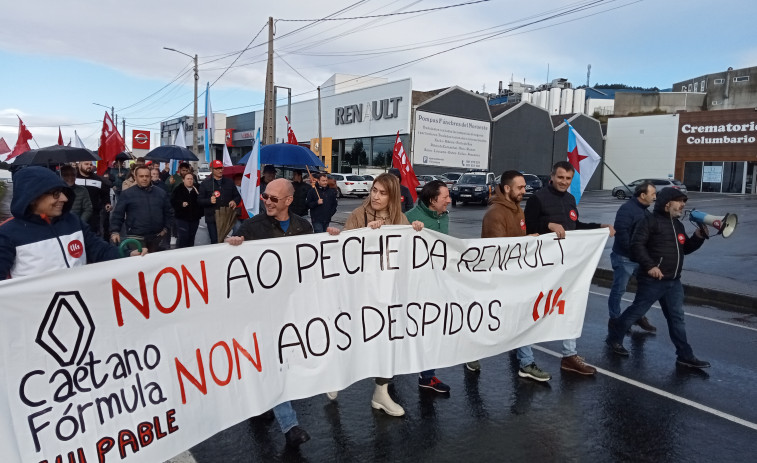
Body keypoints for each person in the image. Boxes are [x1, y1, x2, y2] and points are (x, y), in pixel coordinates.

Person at [325, 173, 424, 417]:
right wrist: (367, 235)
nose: (376, 196)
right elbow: (346, 251)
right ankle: (337, 375)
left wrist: (416, 231)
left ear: (392, 196)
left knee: (386, 341)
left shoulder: (399, 218)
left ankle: (381, 391)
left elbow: (406, 253)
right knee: (354, 335)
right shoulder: (360, 214)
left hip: (388, 292)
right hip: (360, 291)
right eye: (374, 191)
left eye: (382, 193)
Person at [225, 178, 312, 448]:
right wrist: (233, 244)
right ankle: (290, 425)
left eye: (275, 198)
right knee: (272, 363)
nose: (268, 202)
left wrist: (331, 239)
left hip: (291, 307)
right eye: (265, 196)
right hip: (260, 310)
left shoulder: (303, 227)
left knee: (281, 361)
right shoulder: (251, 228)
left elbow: (313, 261)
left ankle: (263, 400)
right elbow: (230, 260)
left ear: (288, 201)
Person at [524, 161, 615, 376]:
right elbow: (528, 228)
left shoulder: (570, 199)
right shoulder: (537, 199)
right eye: (561, 177)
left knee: (570, 306)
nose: (564, 182)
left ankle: (569, 355)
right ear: (552, 176)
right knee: (533, 310)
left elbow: (575, 227)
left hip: (567, 265)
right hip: (542, 266)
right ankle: (525, 358)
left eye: (568, 179)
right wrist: (549, 226)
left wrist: (599, 227)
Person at [606, 188, 710, 368]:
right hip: (652, 280)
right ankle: (614, 339)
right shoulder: (649, 221)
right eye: (679, 201)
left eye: (684, 201)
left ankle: (685, 355)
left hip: (673, 281)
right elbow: (636, 246)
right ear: (668, 203)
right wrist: (650, 266)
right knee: (636, 312)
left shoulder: (678, 225)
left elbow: (684, 248)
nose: (683, 205)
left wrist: (698, 238)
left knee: (677, 318)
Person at [467, 171, 553, 382]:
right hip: (498, 279)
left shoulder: (518, 211)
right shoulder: (495, 214)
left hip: (515, 276)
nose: (525, 191)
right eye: (520, 187)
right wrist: (525, 243)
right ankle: (471, 353)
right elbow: (497, 249)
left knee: (521, 319)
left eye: (524, 187)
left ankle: (526, 362)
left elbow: (517, 241)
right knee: (490, 320)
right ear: (507, 188)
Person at [0, 167, 143, 280]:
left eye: (63, 192)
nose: (64, 198)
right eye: (55, 193)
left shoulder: (72, 221)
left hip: (78, 305)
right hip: (38, 314)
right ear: (32, 198)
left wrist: (128, 255)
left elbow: (99, 250)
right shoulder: (7, 234)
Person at [404, 179, 453, 393]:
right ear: (433, 200)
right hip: (413, 286)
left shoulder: (445, 217)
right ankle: (386, 376)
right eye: (445, 197)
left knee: (430, 330)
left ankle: (428, 376)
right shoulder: (410, 219)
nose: (449, 200)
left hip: (436, 283)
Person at [608, 181, 657, 331]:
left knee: (646, 288)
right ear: (643, 195)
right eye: (653, 194)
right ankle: (615, 319)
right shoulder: (627, 210)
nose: (655, 197)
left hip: (640, 259)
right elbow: (621, 233)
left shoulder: (645, 211)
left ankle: (637, 316)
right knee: (619, 290)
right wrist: (635, 252)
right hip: (625, 258)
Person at [110, 165, 174, 253]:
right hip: (136, 238)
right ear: (135, 177)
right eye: (141, 176)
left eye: (147, 176)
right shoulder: (127, 194)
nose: (144, 179)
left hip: (156, 237)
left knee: (155, 265)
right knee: (138, 265)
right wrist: (115, 231)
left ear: (150, 177)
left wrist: (166, 229)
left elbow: (169, 213)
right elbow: (118, 214)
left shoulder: (161, 193)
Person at [198, 160, 240, 244]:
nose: (220, 170)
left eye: (221, 168)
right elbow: (199, 200)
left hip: (226, 217)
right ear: (211, 169)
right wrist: (209, 201)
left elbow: (237, 196)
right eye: (217, 169)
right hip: (212, 217)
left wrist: (234, 201)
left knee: (228, 239)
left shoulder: (229, 182)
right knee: (215, 240)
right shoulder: (205, 183)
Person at [75, 160, 111, 237]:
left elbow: (104, 194)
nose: (89, 166)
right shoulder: (73, 179)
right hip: (76, 213)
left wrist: (107, 203)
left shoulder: (97, 180)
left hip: (93, 214)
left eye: (91, 164)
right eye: (86, 164)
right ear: (79, 165)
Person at [171, 172, 203, 248]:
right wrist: (181, 204)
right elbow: (172, 201)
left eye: (191, 179)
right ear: (183, 180)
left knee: (191, 237)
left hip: (194, 218)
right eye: (188, 179)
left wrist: (200, 212)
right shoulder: (178, 189)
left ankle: (189, 254)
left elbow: (202, 200)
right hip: (182, 218)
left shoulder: (197, 189)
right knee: (183, 237)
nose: (190, 181)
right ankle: (179, 253)